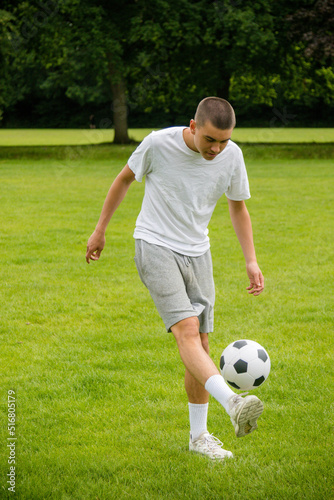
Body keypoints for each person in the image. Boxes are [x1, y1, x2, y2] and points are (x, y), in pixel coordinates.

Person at [86, 97, 265, 461]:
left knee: (200, 343)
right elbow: (123, 180)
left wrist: (251, 260)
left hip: (199, 251)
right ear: (194, 126)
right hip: (153, 243)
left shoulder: (233, 156)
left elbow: (238, 206)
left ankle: (198, 437)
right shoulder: (157, 144)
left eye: (224, 141)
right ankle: (232, 403)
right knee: (185, 330)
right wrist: (100, 230)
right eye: (210, 139)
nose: (216, 148)